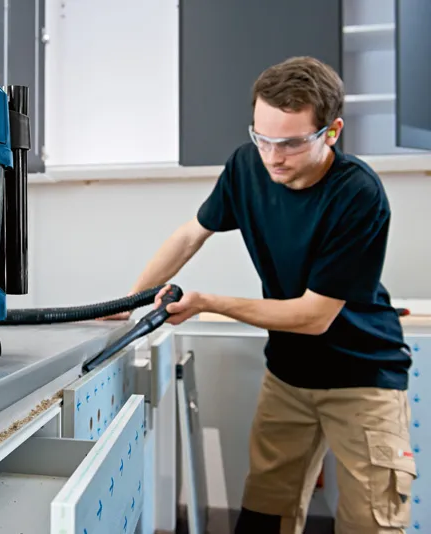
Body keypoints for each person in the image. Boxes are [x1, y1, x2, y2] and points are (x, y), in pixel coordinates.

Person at [109, 56, 416, 533]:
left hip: (362, 376)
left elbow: (314, 316)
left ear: (331, 132)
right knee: (263, 517)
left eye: (291, 143)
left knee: (371, 523)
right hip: (289, 374)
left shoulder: (358, 194)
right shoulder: (246, 166)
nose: (273, 157)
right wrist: (129, 301)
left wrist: (209, 302)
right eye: (262, 137)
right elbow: (191, 234)